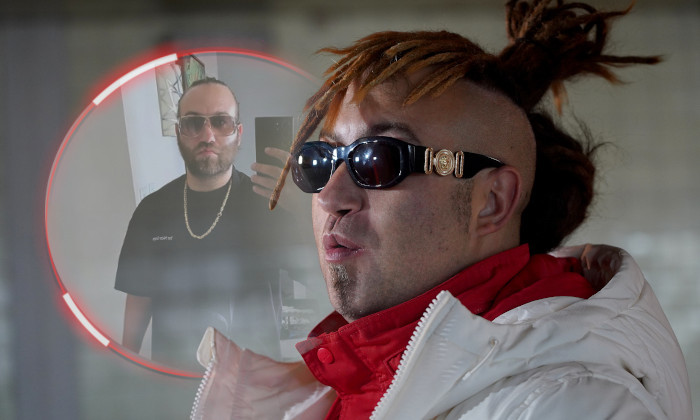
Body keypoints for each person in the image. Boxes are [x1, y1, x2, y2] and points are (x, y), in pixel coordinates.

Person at [191, 1, 692, 418]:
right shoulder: (347, 386)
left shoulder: (569, 404)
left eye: (379, 159)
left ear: (492, 202)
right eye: (321, 161)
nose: (329, 197)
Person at [115, 77, 291, 370]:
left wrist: (305, 206)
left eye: (221, 122)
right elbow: (138, 294)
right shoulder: (151, 210)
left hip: (253, 377)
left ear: (239, 133)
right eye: (194, 123)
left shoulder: (272, 204)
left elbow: (326, 273)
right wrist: (127, 364)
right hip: (174, 377)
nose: (208, 136)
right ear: (178, 132)